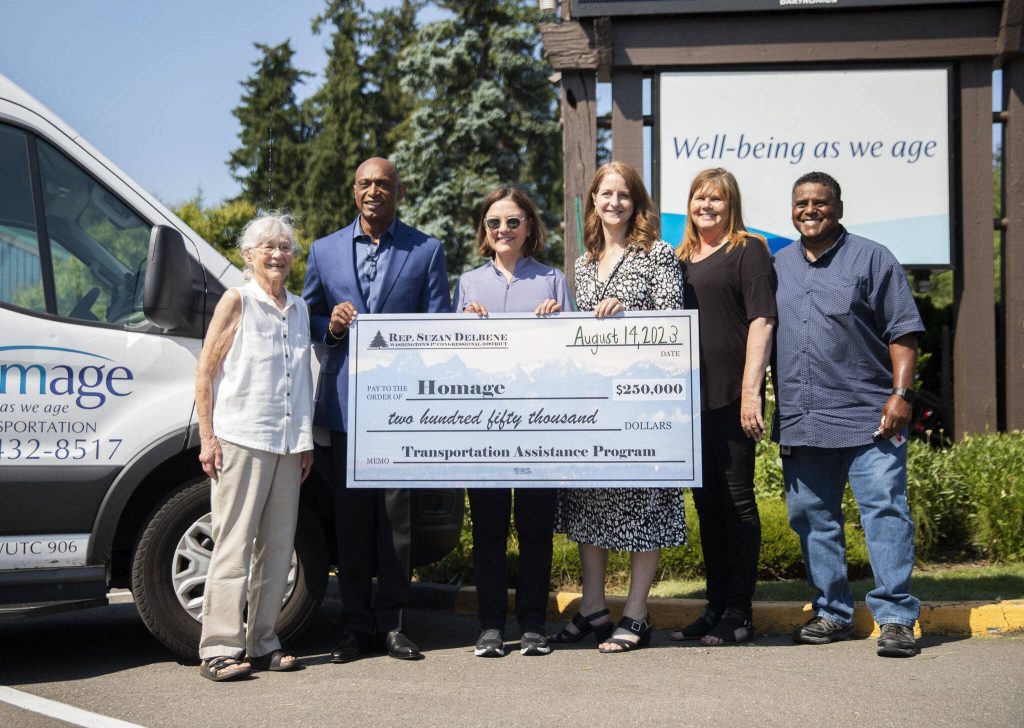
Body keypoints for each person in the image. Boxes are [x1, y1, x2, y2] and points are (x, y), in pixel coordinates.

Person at [303, 158, 451, 663]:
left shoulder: (426, 250)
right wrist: (334, 325)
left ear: (398, 191)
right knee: (351, 521)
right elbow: (308, 315)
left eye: (383, 184)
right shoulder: (323, 251)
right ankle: (354, 626)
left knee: (396, 523)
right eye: (365, 183)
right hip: (346, 407)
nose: (373, 191)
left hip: (402, 410)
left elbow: (438, 326)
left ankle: (392, 624)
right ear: (354, 192)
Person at [773, 171, 924, 658]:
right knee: (812, 517)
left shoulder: (873, 257)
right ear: (791, 209)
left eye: (819, 202)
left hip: (870, 416)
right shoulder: (778, 266)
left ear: (838, 207)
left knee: (884, 513)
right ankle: (832, 613)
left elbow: (903, 331)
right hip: (804, 415)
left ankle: (897, 617)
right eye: (801, 203)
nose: (810, 210)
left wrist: (901, 393)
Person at [551, 161, 686, 654]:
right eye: (606, 194)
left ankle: (636, 613)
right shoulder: (583, 264)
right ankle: (592, 610)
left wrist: (630, 315)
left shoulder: (657, 255)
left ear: (637, 202)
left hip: (643, 409)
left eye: (624, 195)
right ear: (593, 200)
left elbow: (674, 326)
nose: (614, 203)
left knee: (642, 507)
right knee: (591, 506)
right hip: (592, 410)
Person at [452, 187, 573, 658]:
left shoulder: (551, 281)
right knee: (488, 530)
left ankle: (533, 625)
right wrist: (462, 324)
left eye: (513, 221)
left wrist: (560, 320)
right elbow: (450, 356)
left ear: (529, 228)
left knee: (536, 529)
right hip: (484, 428)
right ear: (484, 231)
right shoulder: (466, 284)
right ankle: (488, 627)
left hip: (538, 426)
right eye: (494, 223)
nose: (503, 230)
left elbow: (574, 355)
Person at [195, 213, 314, 681]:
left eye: (284, 246)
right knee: (233, 544)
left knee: (279, 548)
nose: (277, 254)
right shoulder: (237, 301)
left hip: (288, 444)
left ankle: (263, 642)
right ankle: (219, 648)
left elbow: (302, 379)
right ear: (248, 256)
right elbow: (206, 371)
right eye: (266, 246)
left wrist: (304, 442)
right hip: (241, 437)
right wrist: (207, 437)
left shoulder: (300, 308)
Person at [670, 168, 776, 645]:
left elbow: (763, 319)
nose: (706, 206)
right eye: (699, 198)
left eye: (716, 199)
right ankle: (714, 608)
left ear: (731, 204)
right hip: (688, 401)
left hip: (732, 396)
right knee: (706, 505)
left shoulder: (747, 249)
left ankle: (739, 611)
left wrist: (753, 391)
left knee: (736, 504)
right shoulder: (679, 257)